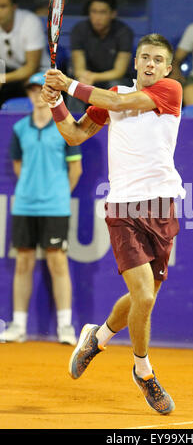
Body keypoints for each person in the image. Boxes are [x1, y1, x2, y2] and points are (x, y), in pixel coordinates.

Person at [41, 33, 185, 414]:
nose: (151, 64)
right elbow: (74, 135)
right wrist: (57, 103)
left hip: (162, 207)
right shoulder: (114, 95)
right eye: (145, 58)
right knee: (145, 296)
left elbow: (118, 101)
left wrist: (67, 83)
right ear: (135, 62)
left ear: (167, 68)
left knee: (145, 297)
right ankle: (144, 371)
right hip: (123, 208)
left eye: (158, 59)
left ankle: (97, 336)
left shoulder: (169, 90)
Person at [0, 73, 82, 345]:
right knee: (23, 262)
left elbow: (75, 170)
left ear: (52, 94)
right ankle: (18, 326)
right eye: (33, 90)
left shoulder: (64, 127)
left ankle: (65, 327)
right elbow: (18, 166)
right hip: (24, 205)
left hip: (55, 207)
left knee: (58, 262)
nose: (37, 95)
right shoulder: (20, 128)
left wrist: (56, 194)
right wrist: (33, 190)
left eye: (42, 90)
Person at [69, 0, 133, 106]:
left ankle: (116, 123)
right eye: (94, 11)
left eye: (102, 12)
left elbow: (119, 71)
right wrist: (84, 78)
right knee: (76, 86)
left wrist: (94, 77)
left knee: (116, 85)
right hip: (88, 78)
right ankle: (73, 122)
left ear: (113, 14)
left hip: (112, 78)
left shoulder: (124, 32)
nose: (97, 17)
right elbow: (78, 68)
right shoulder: (79, 29)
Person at [0, 0, 49, 108]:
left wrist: (2, 78)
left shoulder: (30, 21)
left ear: (14, 7)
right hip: (10, 73)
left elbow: (31, 67)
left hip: (39, 73)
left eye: (3, 6)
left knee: (32, 82)